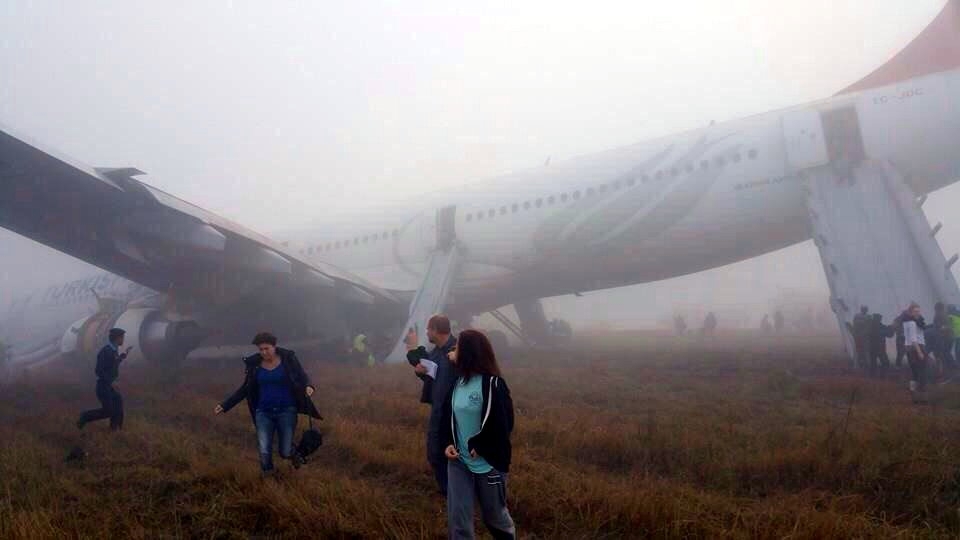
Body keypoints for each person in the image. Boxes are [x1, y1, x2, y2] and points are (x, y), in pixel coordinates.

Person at [440, 329, 516, 540]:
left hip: (488, 463)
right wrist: (447, 442)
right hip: (458, 462)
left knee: (494, 518)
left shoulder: (493, 385)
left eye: (458, 347)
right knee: (459, 521)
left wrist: (480, 445)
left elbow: (504, 424)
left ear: (469, 352)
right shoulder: (457, 384)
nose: (453, 350)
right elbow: (448, 419)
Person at [215, 332, 321, 474]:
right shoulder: (255, 366)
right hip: (263, 412)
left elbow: (302, 376)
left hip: (287, 410)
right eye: (261, 349)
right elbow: (245, 389)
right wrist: (225, 405)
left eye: (267, 348)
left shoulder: (288, 360)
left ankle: (296, 455)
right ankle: (268, 476)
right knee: (264, 449)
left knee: (284, 450)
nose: (264, 352)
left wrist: (309, 386)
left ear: (274, 347)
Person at [408, 315, 459, 496]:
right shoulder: (436, 351)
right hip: (437, 410)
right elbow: (436, 377)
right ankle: (446, 490)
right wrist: (422, 372)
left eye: (429, 329)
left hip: (453, 413)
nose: (427, 332)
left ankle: (453, 491)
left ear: (436, 329)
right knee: (434, 453)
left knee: (450, 453)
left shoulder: (457, 350)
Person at [77, 328, 132, 431]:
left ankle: (115, 430)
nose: (123, 340)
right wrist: (112, 382)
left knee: (118, 405)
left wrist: (124, 355)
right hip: (103, 386)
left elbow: (114, 363)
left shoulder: (113, 350)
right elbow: (98, 370)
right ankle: (84, 416)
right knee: (108, 411)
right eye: (122, 338)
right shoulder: (105, 352)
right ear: (117, 338)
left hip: (109, 386)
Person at [901, 303, 928, 402]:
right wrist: (920, 352)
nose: (918, 313)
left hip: (911, 348)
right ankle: (920, 395)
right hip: (916, 348)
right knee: (921, 372)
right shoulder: (912, 323)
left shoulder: (908, 322)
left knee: (915, 372)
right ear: (911, 312)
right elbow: (913, 339)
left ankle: (913, 393)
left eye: (919, 311)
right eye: (916, 311)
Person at [933, 302, 954, 370]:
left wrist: (941, 328)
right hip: (950, 336)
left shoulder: (938, 315)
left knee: (945, 352)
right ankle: (951, 367)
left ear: (937, 309)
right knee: (946, 352)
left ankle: (952, 367)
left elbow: (939, 326)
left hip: (945, 337)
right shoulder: (945, 315)